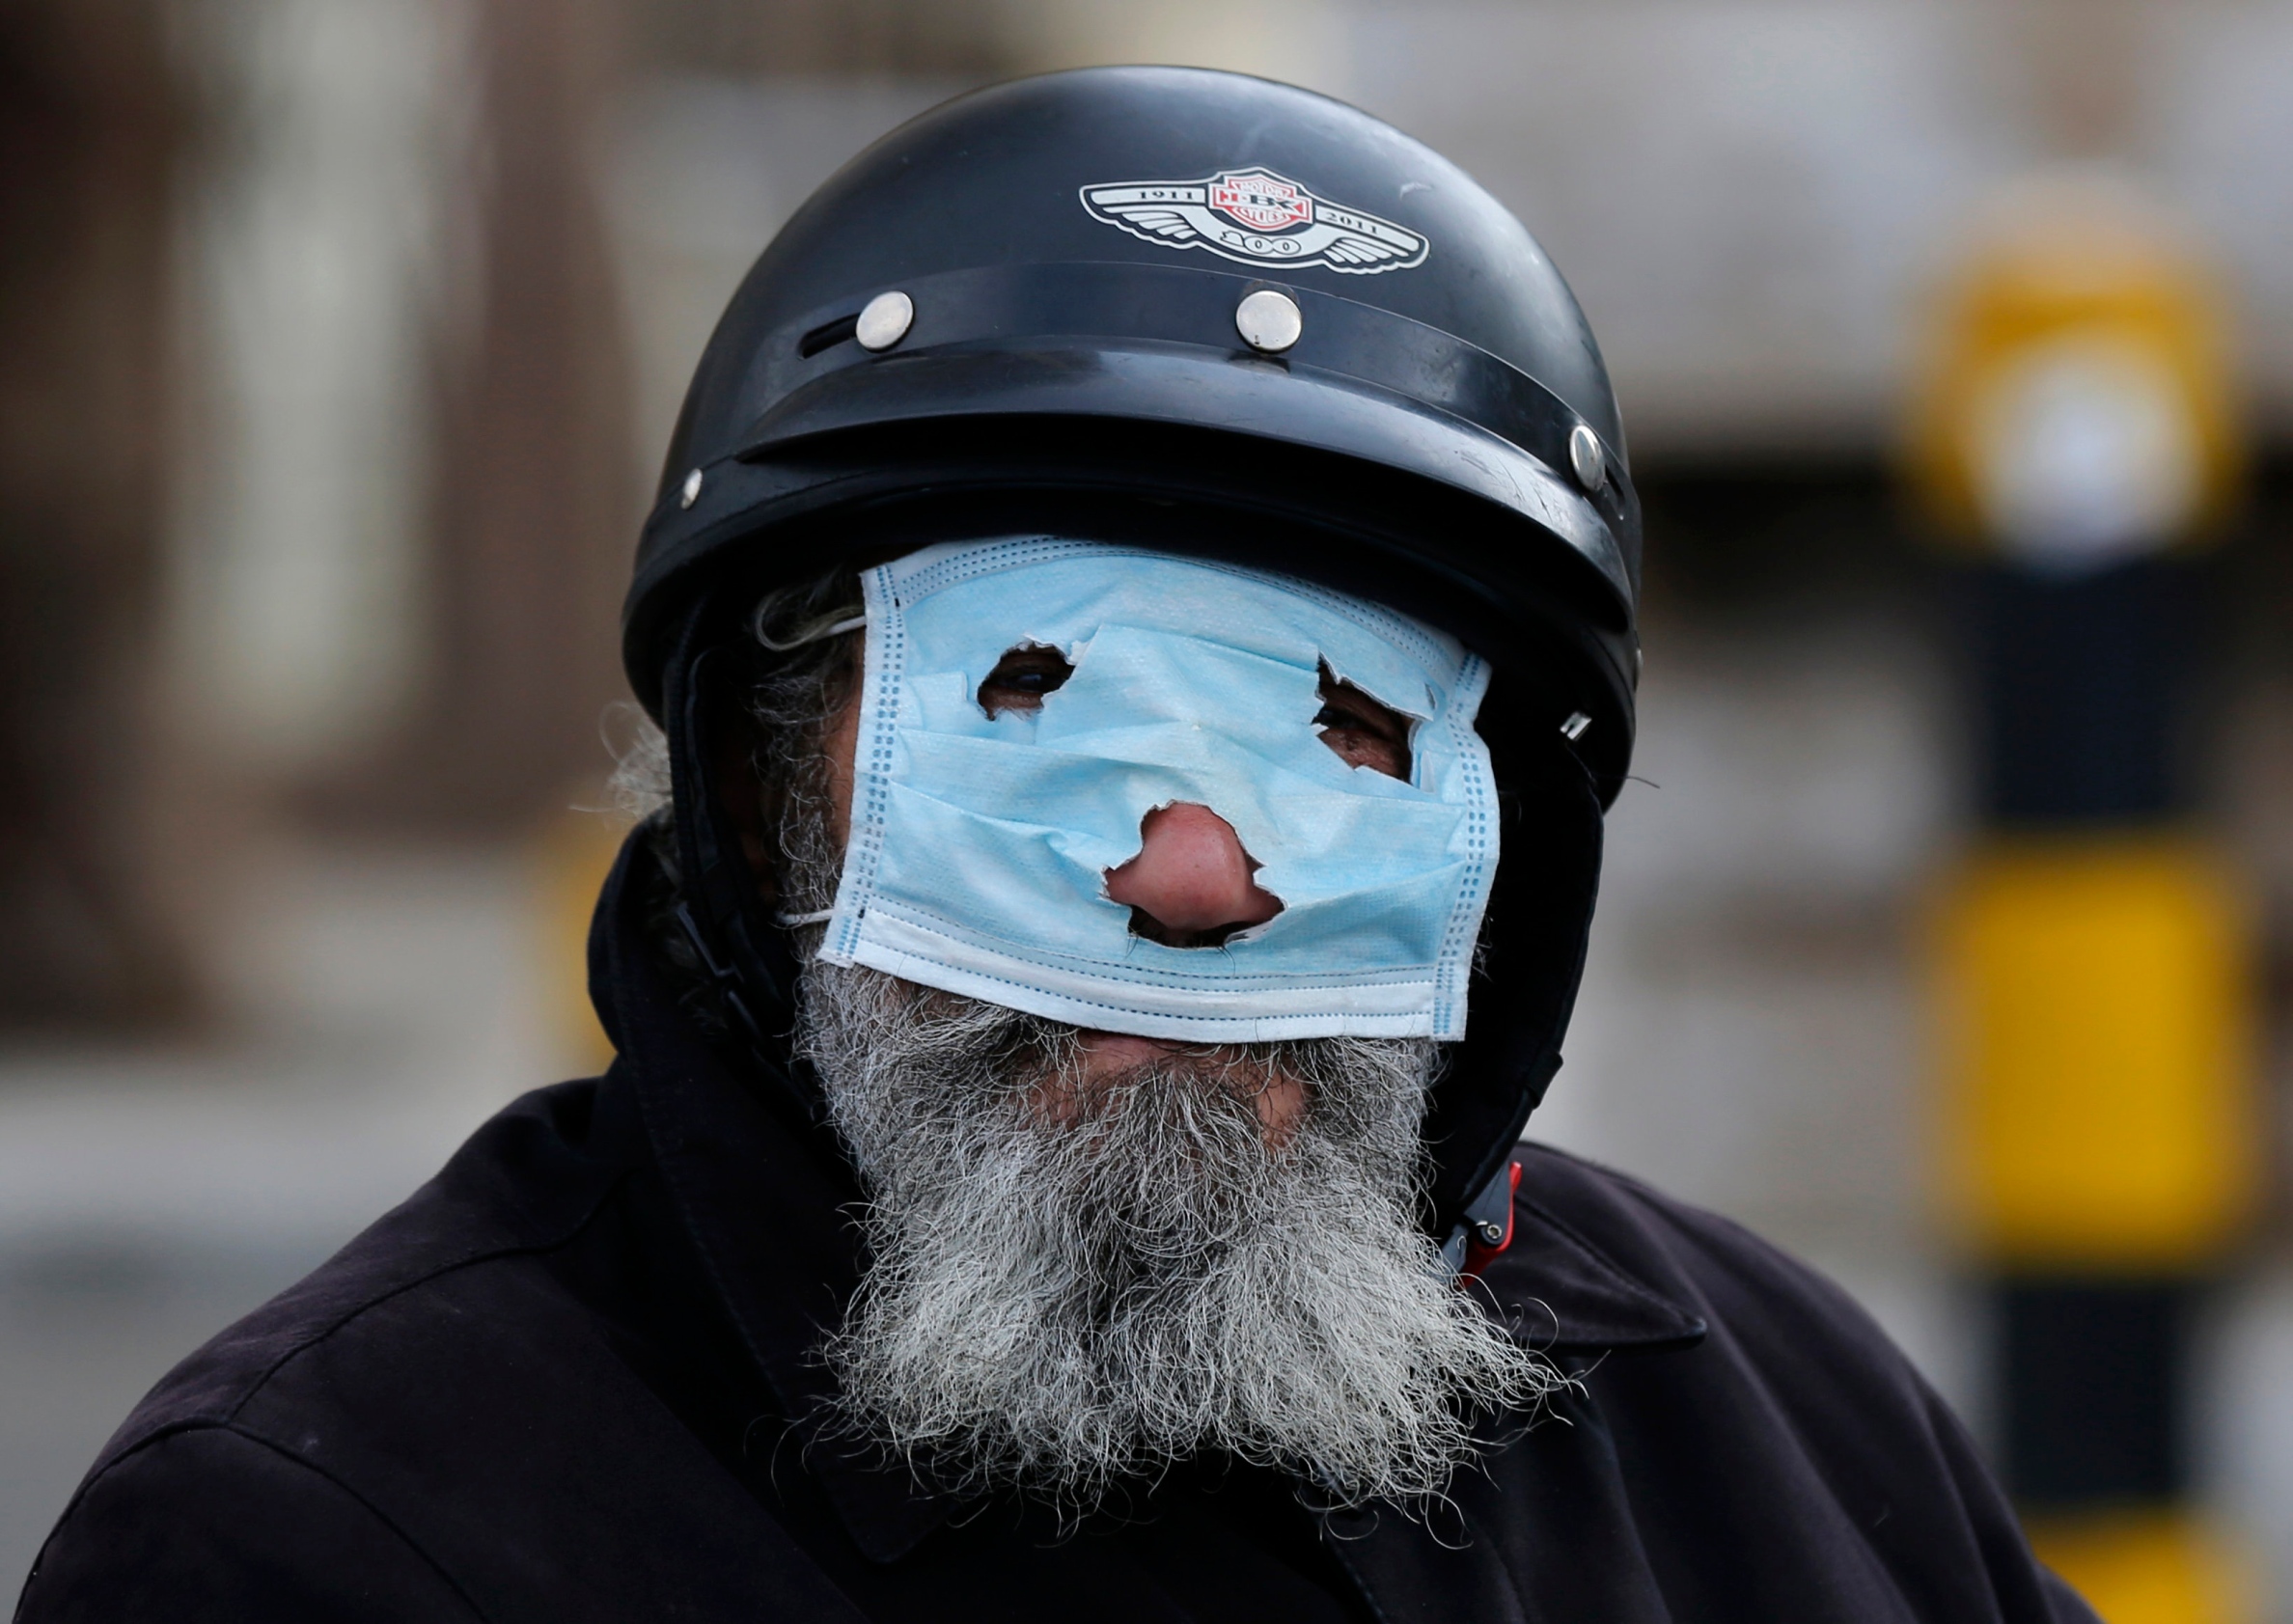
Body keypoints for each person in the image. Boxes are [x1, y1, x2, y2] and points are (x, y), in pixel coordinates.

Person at [16, 66, 2097, 1624]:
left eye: (1347, 730)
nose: (1192, 880)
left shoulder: (1782, 1438)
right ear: (762, 787)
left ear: (1503, 839)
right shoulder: (336, 1532)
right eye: (1028, 703)